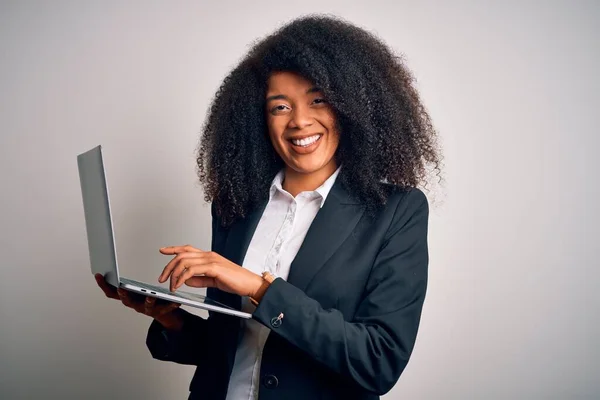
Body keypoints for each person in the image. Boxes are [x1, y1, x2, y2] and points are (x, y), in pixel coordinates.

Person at [95, 14, 442, 400]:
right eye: (280, 107)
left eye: (318, 100)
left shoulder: (395, 212)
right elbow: (232, 347)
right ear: (257, 118)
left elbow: (378, 361)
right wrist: (169, 317)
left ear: (349, 107)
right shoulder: (236, 206)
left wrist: (259, 288)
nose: (300, 122)